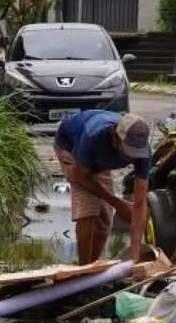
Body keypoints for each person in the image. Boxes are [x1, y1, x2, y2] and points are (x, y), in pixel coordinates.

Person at [53, 110, 152, 266]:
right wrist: (118, 204)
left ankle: (93, 266)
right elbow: (80, 176)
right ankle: (83, 271)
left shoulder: (143, 152)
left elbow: (139, 203)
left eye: (135, 153)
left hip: (100, 161)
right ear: (115, 138)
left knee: (104, 216)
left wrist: (135, 250)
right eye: (128, 151)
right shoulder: (93, 136)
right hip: (71, 149)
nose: (132, 157)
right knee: (89, 208)